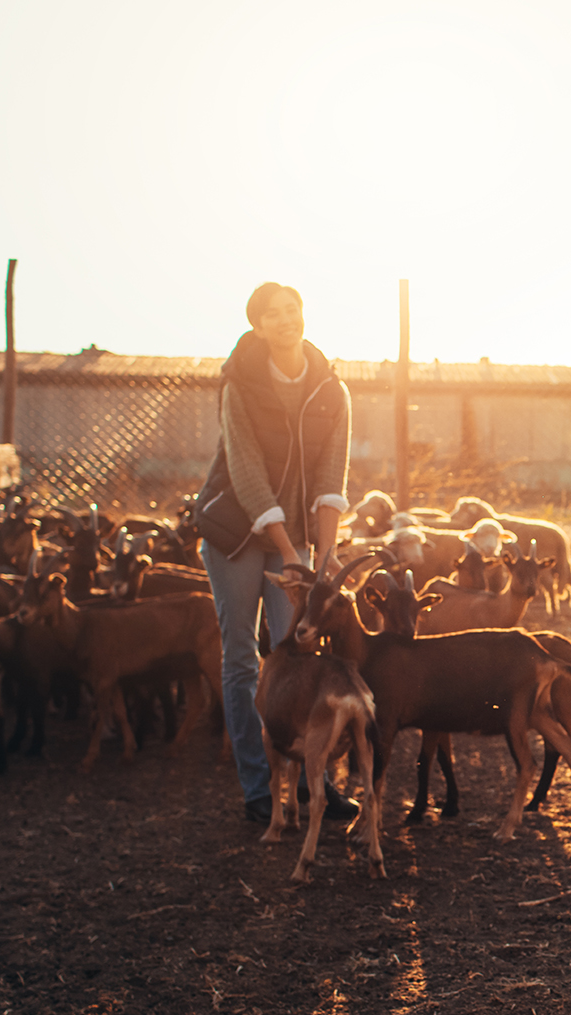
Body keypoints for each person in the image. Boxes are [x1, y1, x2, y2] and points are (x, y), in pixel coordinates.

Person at [194, 282, 356, 825]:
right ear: (258, 326)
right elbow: (245, 471)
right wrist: (290, 550)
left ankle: (315, 782)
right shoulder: (238, 383)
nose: (286, 321)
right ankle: (257, 786)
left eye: (293, 310)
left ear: (303, 316)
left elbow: (332, 477)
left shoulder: (332, 389)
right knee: (242, 657)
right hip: (238, 533)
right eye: (273, 315)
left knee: (299, 656)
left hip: (296, 542)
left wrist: (324, 554)